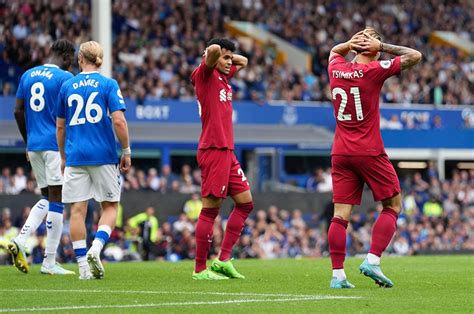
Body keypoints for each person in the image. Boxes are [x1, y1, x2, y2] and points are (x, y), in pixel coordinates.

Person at [327, 27, 422, 288]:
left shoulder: (336, 67)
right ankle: (373, 260)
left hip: (340, 152)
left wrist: (350, 42)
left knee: (340, 216)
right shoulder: (374, 70)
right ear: (371, 47)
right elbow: (415, 55)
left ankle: (337, 276)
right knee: (392, 205)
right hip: (368, 150)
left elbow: (335, 51)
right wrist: (381, 48)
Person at [56, 41, 131, 280]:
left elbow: (60, 126)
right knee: (109, 207)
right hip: (103, 155)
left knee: (77, 210)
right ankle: (96, 248)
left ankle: (82, 268)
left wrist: (63, 156)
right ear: (101, 60)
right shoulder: (108, 84)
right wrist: (126, 150)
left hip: (76, 155)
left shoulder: (67, 85)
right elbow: (118, 121)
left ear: (80, 59)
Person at [2, 39, 76, 275]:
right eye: (71, 60)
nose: (71, 64)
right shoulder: (65, 79)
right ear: (65, 56)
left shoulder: (28, 75)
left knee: (46, 196)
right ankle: (49, 261)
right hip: (54, 145)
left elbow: (17, 111)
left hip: (34, 144)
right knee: (57, 199)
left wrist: (27, 140)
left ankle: (20, 241)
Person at [190, 38, 253, 280]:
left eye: (230, 58)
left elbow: (244, 61)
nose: (229, 62)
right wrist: (215, 54)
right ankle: (199, 270)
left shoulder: (223, 77)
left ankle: (223, 260)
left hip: (227, 151)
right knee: (210, 211)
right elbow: (214, 51)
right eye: (225, 58)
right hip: (213, 149)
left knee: (246, 202)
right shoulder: (203, 76)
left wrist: (227, 59)